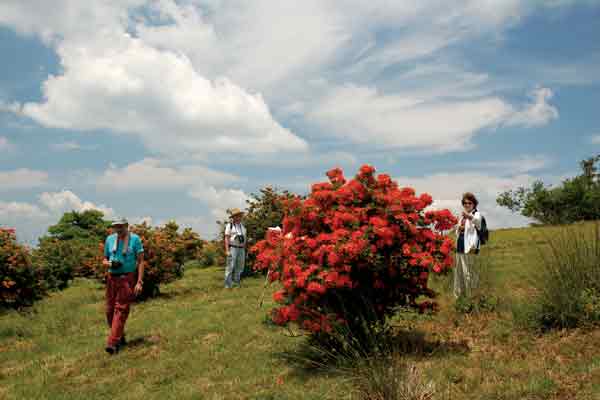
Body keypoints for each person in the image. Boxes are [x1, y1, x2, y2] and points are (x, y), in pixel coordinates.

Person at [102, 217, 144, 354]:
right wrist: (111, 264)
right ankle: (120, 336)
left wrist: (139, 281)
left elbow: (141, 261)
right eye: (116, 227)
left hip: (127, 278)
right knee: (109, 311)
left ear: (126, 226)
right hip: (111, 278)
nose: (118, 229)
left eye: (121, 226)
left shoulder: (135, 239)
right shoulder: (109, 240)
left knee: (121, 310)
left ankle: (112, 343)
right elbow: (104, 260)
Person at [453, 192, 482, 298]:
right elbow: (458, 229)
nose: (467, 205)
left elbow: (478, 222)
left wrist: (468, 217)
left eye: (469, 203)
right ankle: (458, 297)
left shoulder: (476, 214)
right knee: (458, 273)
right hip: (460, 246)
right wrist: (458, 227)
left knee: (469, 273)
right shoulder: (462, 217)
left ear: (474, 204)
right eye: (464, 203)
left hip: (470, 248)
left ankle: (471, 297)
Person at [224, 208, 247, 288]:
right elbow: (226, 238)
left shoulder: (243, 227)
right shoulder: (229, 226)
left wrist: (244, 248)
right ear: (233, 217)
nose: (239, 217)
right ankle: (228, 285)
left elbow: (245, 238)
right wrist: (227, 250)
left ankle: (236, 282)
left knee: (240, 267)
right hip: (233, 248)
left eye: (240, 216)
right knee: (230, 266)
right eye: (237, 216)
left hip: (241, 249)